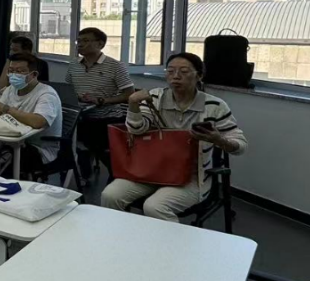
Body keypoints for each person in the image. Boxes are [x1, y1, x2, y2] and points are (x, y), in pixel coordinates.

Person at [101, 53, 247, 222]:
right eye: (170, 71)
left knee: (155, 206)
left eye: (184, 71)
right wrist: (133, 105)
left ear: (199, 76)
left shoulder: (214, 106)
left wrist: (218, 139)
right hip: (150, 169)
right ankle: (118, 235)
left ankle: (171, 240)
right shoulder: (155, 98)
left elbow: (240, 145)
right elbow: (137, 130)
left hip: (190, 177)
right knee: (110, 195)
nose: (176, 76)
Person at [0, 53, 62, 177]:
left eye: (20, 71)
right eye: (11, 71)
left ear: (34, 74)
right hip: (10, 141)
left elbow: (38, 121)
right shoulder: (11, 89)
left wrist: (6, 108)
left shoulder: (47, 94)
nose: (14, 75)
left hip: (38, 149)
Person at [66, 27, 135, 173]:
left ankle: (112, 172)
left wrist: (101, 100)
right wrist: (77, 97)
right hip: (80, 116)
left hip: (106, 118)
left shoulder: (115, 66)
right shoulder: (73, 65)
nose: (80, 44)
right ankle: (82, 166)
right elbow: (68, 89)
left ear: (100, 44)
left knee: (97, 147)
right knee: (66, 140)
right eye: (78, 41)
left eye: (85, 41)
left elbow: (129, 94)